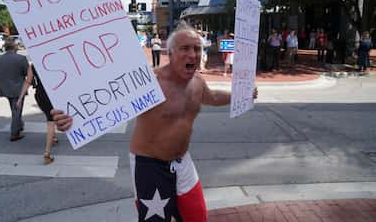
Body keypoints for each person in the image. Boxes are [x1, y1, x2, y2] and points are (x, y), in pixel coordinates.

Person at [51, 23, 258, 222]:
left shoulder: (197, 83)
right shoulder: (149, 82)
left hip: (183, 163)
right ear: (170, 52)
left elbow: (212, 98)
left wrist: (241, 95)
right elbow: (101, 104)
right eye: (185, 48)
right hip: (149, 165)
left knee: (196, 217)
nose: (192, 55)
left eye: (197, 49)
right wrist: (70, 119)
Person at [17, 64, 58, 164]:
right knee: (51, 121)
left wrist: (20, 98)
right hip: (53, 93)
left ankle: (53, 137)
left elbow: (28, 81)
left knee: (50, 117)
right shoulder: (54, 60)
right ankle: (47, 153)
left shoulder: (33, 65)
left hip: (40, 95)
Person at [0, 38, 28, 141]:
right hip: (19, 89)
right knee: (17, 110)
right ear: (14, 47)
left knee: (14, 109)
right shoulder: (21, 59)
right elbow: (28, 74)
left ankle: (19, 124)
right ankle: (14, 133)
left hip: (6, 89)